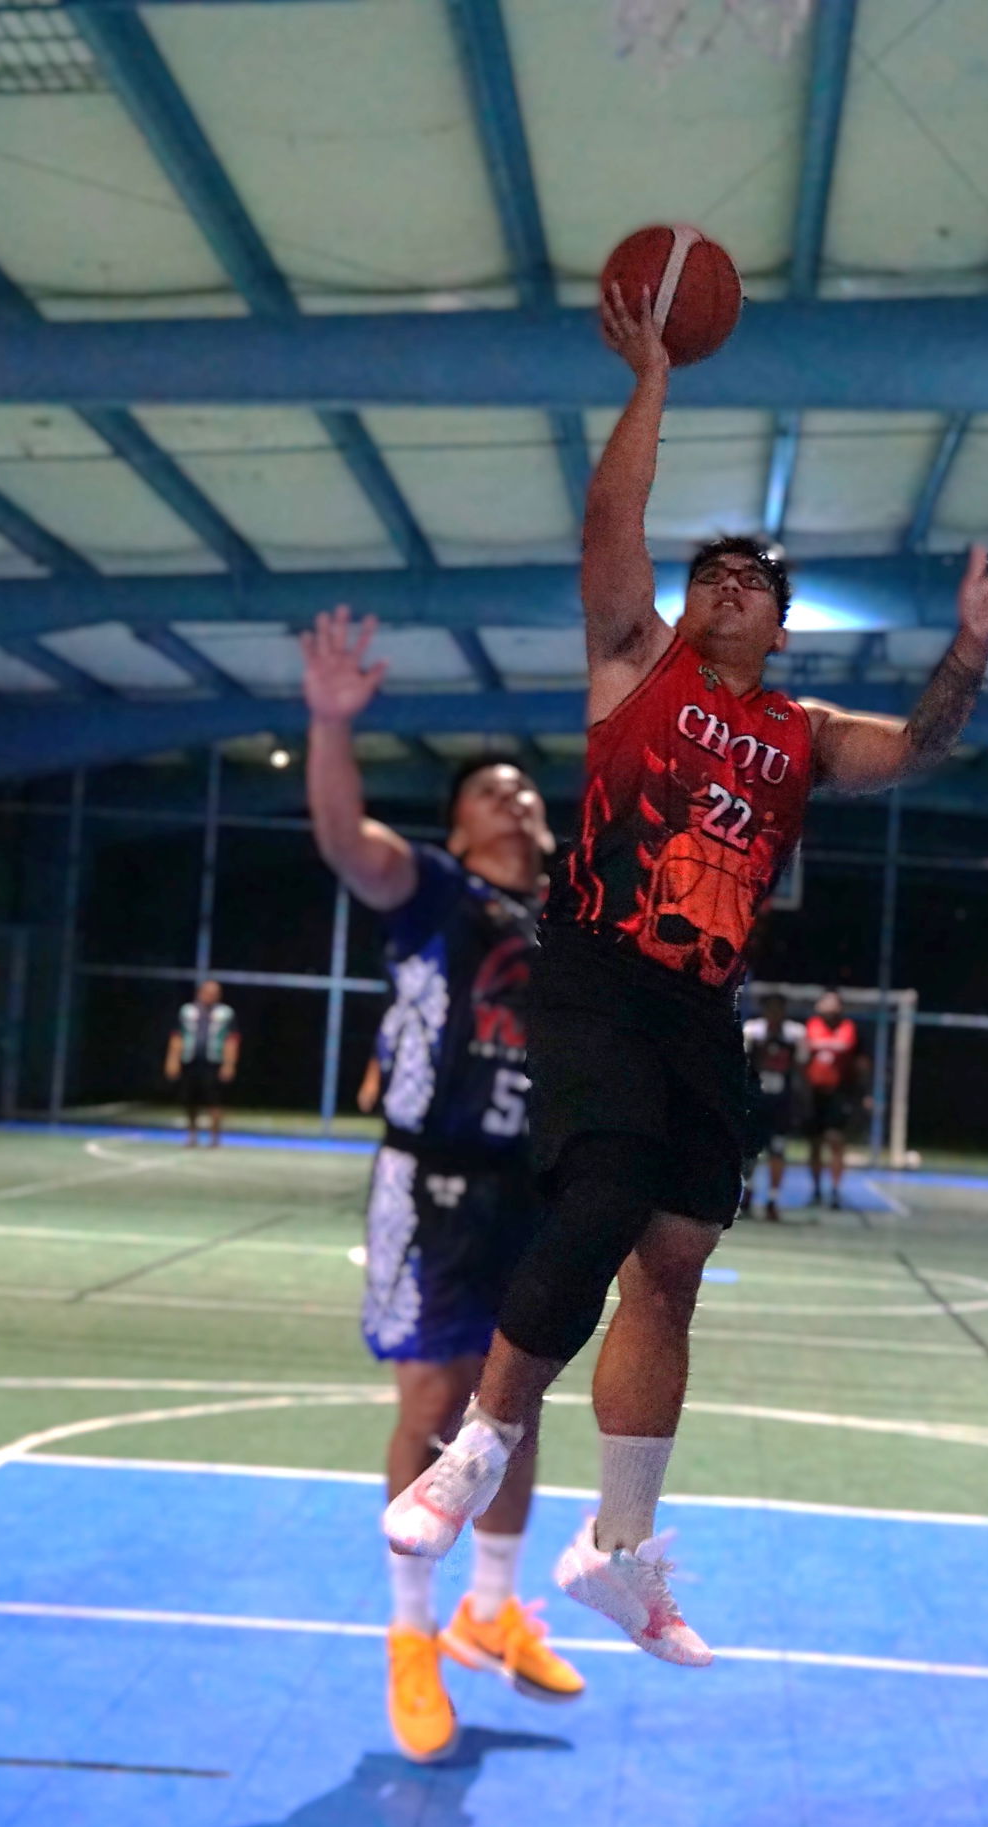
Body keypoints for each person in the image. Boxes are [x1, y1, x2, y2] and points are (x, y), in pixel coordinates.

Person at [381, 280, 988, 1666]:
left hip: (701, 1005)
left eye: (750, 584)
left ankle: (616, 1553)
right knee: (610, 1182)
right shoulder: (635, 667)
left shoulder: (802, 732)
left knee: (675, 1262)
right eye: (710, 577)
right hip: (597, 969)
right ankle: (477, 1448)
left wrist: (974, 637)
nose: (722, 587)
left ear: (780, 627)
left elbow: (922, 745)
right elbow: (609, 530)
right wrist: (653, 381)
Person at [302, 610, 584, 1764]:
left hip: (533, 1189)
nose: (514, 801)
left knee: (510, 1413)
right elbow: (340, 837)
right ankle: (412, 1635)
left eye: (526, 791)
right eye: (490, 793)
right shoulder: (425, 893)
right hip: (431, 1190)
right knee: (431, 1414)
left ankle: (491, 1606)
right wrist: (330, 724)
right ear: (457, 827)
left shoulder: (574, 923)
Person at [741, 990, 806, 1220]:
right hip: (757, 1101)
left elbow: (800, 1069)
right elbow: (743, 1064)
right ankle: (747, 1193)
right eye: (771, 1008)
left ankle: (773, 1198)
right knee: (750, 1151)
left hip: (781, 1103)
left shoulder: (795, 1034)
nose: (775, 1013)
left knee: (777, 1149)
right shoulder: (752, 1031)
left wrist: (799, 1101)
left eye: (779, 1008)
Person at [805, 990, 863, 1210]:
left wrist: (823, 1044)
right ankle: (816, 1189)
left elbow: (845, 1047)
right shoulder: (812, 1024)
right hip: (815, 1093)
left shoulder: (848, 1027)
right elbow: (811, 1045)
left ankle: (836, 1190)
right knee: (815, 1142)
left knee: (836, 1139)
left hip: (839, 1092)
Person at [164, 980, 238, 1147]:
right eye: (207, 992)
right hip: (190, 1060)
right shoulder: (187, 1011)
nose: (210, 996)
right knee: (189, 1099)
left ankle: (215, 1137)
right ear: (200, 992)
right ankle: (192, 1135)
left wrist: (229, 1064)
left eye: (214, 993)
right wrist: (172, 1060)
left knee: (214, 1099)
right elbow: (177, 1036)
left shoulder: (225, 1013)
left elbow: (232, 1040)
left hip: (213, 1061)